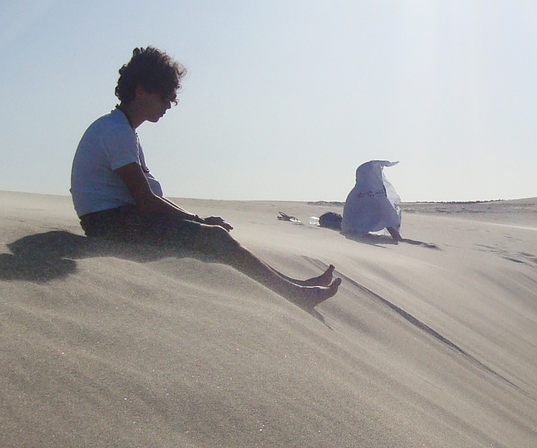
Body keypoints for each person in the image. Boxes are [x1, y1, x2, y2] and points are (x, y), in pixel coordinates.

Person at [70, 47, 340, 307]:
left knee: (212, 235)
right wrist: (198, 221)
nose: (169, 105)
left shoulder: (122, 129)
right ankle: (293, 292)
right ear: (141, 90)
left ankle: (294, 285)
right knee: (216, 239)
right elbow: (145, 200)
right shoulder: (115, 131)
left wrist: (197, 221)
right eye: (164, 96)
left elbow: (147, 199)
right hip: (111, 225)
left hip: (121, 220)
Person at [340, 160, 402, 243]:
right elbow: (387, 216)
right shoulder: (363, 193)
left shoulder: (366, 192)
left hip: (355, 228)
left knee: (386, 210)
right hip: (354, 228)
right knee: (385, 210)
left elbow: (387, 214)